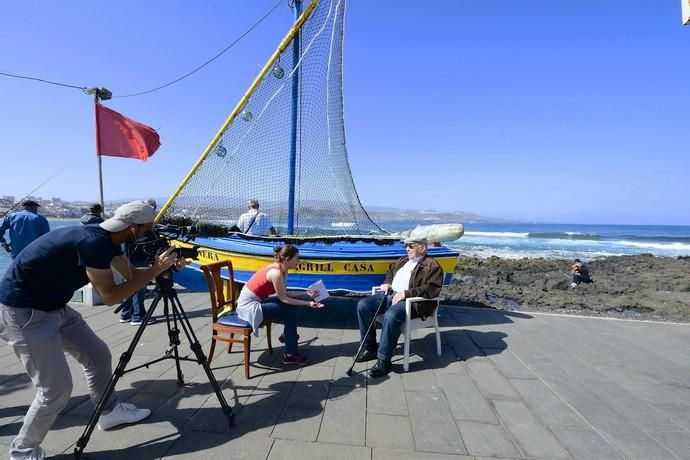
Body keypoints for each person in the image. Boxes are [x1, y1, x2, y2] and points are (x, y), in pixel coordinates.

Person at [0, 201, 184, 460]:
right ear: (132, 228)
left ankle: (108, 413)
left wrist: (161, 268)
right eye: (145, 229)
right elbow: (110, 296)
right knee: (55, 389)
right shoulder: (94, 243)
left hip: (53, 306)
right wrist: (155, 270)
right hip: (24, 313)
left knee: (97, 355)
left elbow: (131, 274)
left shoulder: (107, 239)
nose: (146, 234)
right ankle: (22, 451)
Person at [355, 237, 443, 378]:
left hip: (413, 303)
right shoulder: (403, 260)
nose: (407, 249)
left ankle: (384, 360)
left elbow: (433, 289)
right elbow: (390, 272)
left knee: (391, 316)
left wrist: (406, 293)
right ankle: (370, 347)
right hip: (391, 295)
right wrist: (388, 283)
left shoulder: (432, 265)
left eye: (411, 246)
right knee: (363, 305)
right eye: (406, 246)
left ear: (422, 248)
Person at [233, 244, 323, 366]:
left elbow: (285, 293)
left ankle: (289, 340)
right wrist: (308, 303)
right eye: (297, 258)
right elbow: (284, 299)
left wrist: (306, 294)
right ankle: (290, 352)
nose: (299, 261)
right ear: (287, 259)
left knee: (290, 308)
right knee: (289, 311)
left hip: (257, 302)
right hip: (249, 307)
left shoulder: (282, 269)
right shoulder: (276, 273)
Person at [119, 198, 158, 325]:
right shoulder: (137, 229)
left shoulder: (126, 227)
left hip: (128, 260)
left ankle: (126, 314)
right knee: (138, 288)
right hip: (137, 260)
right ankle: (138, 316)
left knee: (129, 288)